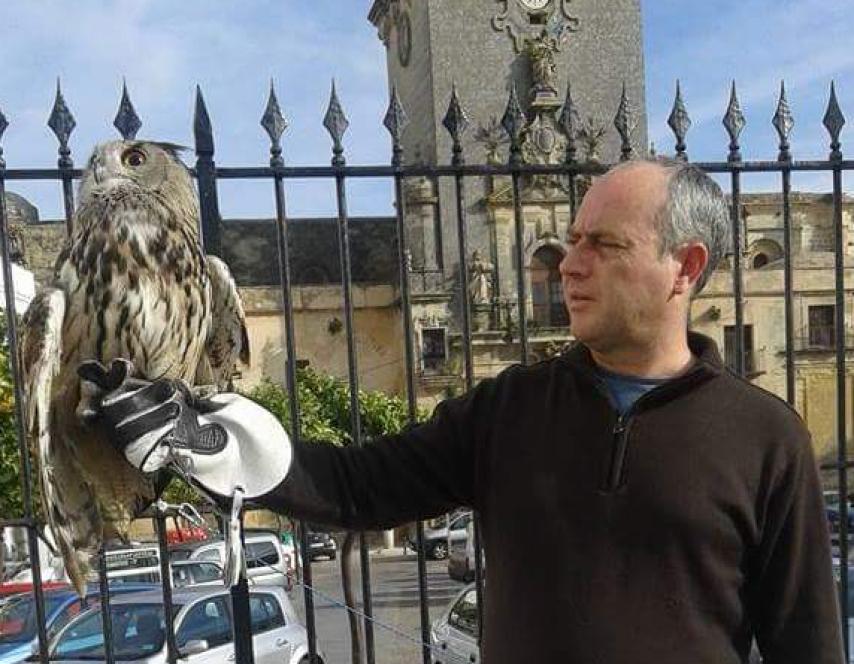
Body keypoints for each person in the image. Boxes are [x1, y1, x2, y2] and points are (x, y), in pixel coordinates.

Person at [79, 159, 843, 663]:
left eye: (604, 245)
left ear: (686, 267)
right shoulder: (509, 407)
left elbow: (805, 643)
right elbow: (358, 486)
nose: (569, 265)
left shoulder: (766, 438)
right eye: (570, 241)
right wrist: (213, 440)